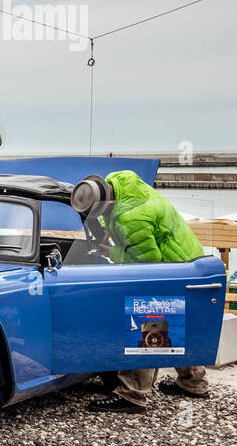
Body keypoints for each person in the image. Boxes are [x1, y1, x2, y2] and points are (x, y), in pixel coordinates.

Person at [76, 172, 213, 413]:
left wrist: (112, 252)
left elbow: (149, 261)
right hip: (188, 259)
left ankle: (132, 394)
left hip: (171, 265)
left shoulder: (131, 218)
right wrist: (111, 229)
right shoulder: (121, 182)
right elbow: (120, 217)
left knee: (150, 317)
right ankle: (193, 381)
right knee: (174, 318)